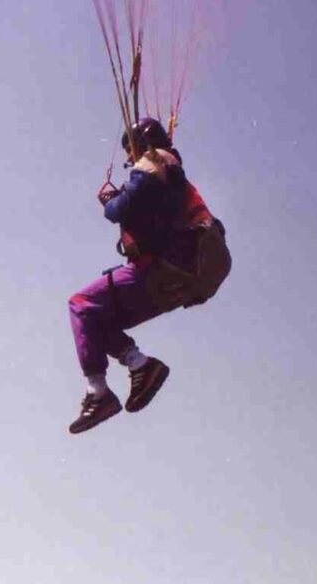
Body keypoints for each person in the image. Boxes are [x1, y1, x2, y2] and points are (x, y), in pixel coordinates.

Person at [67, 117, 231, 434]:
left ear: (142, 144)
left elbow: (120, 209)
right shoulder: (172, 175)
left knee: (81, 304)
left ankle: (98, 393)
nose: (130, 159)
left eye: (131, 151)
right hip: (190, 276)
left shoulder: (155, 163)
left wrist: (109, 202)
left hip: (167, 267)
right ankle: (140, 365)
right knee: (97, 321)